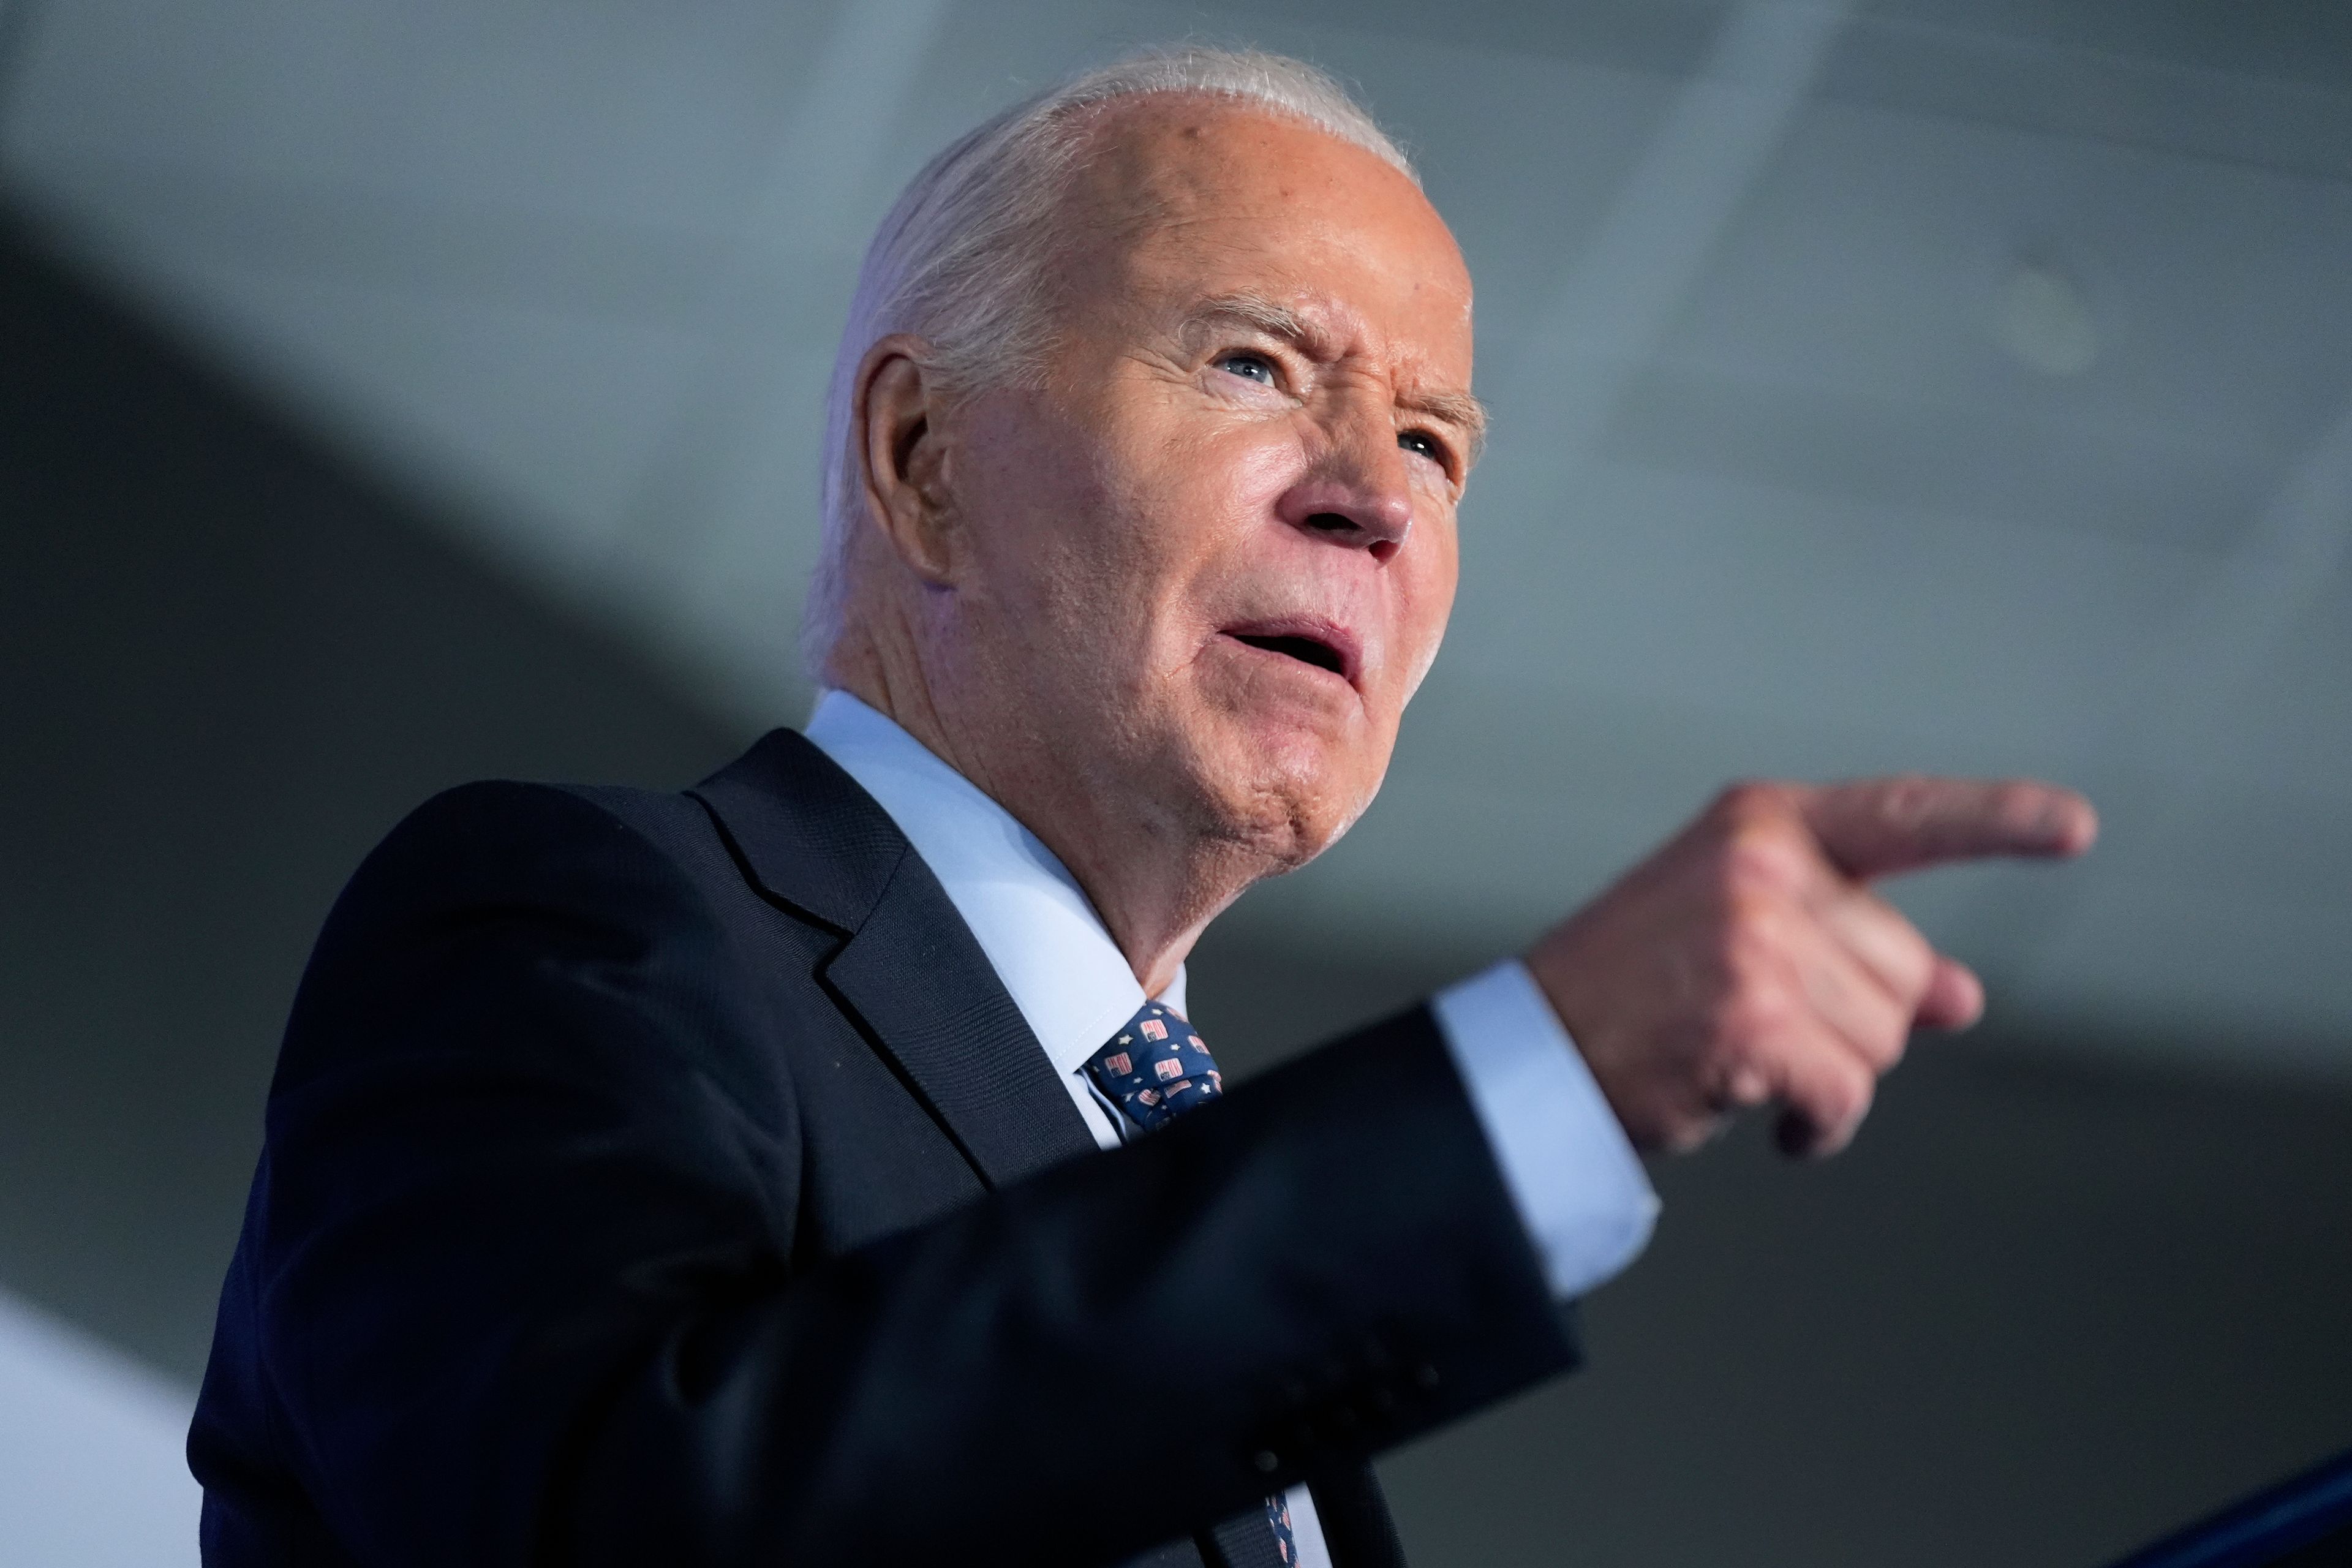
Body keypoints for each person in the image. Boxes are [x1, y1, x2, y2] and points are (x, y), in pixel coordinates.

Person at [187, 47, 2096, 1568]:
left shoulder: (1168, 1181)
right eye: (1258, 365)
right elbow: (630, 1523)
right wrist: (1545, 1080)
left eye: (1434, 442)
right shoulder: (576, 927)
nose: (1378, 496)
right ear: (924, 462)